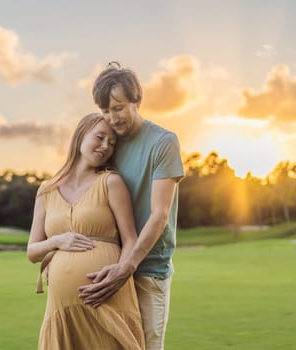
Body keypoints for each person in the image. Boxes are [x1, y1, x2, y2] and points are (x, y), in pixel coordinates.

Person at [78, 62, 185, 350]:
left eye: (118, 107)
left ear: (137, 101)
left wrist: (127, 266)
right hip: (109, 267)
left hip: (148, 270)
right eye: (105, 110)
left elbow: (159, 215)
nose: (112, 118)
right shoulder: (107, 143)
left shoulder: (163, 143)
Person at [27, 112, 145, 350]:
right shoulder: (46, 190)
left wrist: (119, 274)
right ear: (80, 136)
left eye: (111, 143)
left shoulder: (111, 182)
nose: (105, 147)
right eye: (100, 137)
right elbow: (32, 251)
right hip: (62, 308)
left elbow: (131, 239)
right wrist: (58, 241)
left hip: (108, 297)